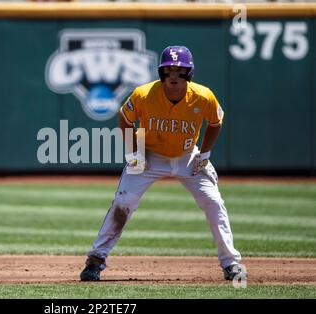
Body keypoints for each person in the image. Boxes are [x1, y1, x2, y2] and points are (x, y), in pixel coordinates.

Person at [79, 45, 246, 282]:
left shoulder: (203, 96)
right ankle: (96, 260)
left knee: (213, 201)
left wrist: (205, 153)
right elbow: (125, 119)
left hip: (187, 156)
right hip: (149, 155)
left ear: (189, 73)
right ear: (161, 73)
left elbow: (216, 121)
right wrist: (133, 153)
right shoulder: (143, 94)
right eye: (169, 70)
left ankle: (231, 264)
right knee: (124, 201)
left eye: (180, 70)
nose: (174, 76)